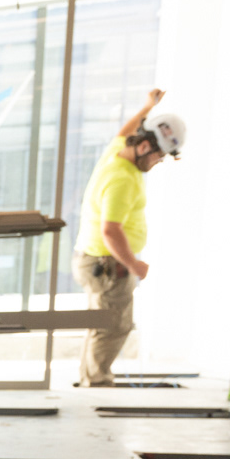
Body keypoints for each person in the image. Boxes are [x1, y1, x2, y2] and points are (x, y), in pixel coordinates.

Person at [71, 88, 186, 387]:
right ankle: (96, 382)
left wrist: (147, 107)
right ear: (145, 146)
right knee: (113, 325)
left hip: (95, 259)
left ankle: (90, 378)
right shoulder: (122, 178)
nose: (159, 162)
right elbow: (110, 230)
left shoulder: (117, 152)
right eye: (159, 156)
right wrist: (134, 264)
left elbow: (126, 130)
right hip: (107, 264)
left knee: (102, 324)